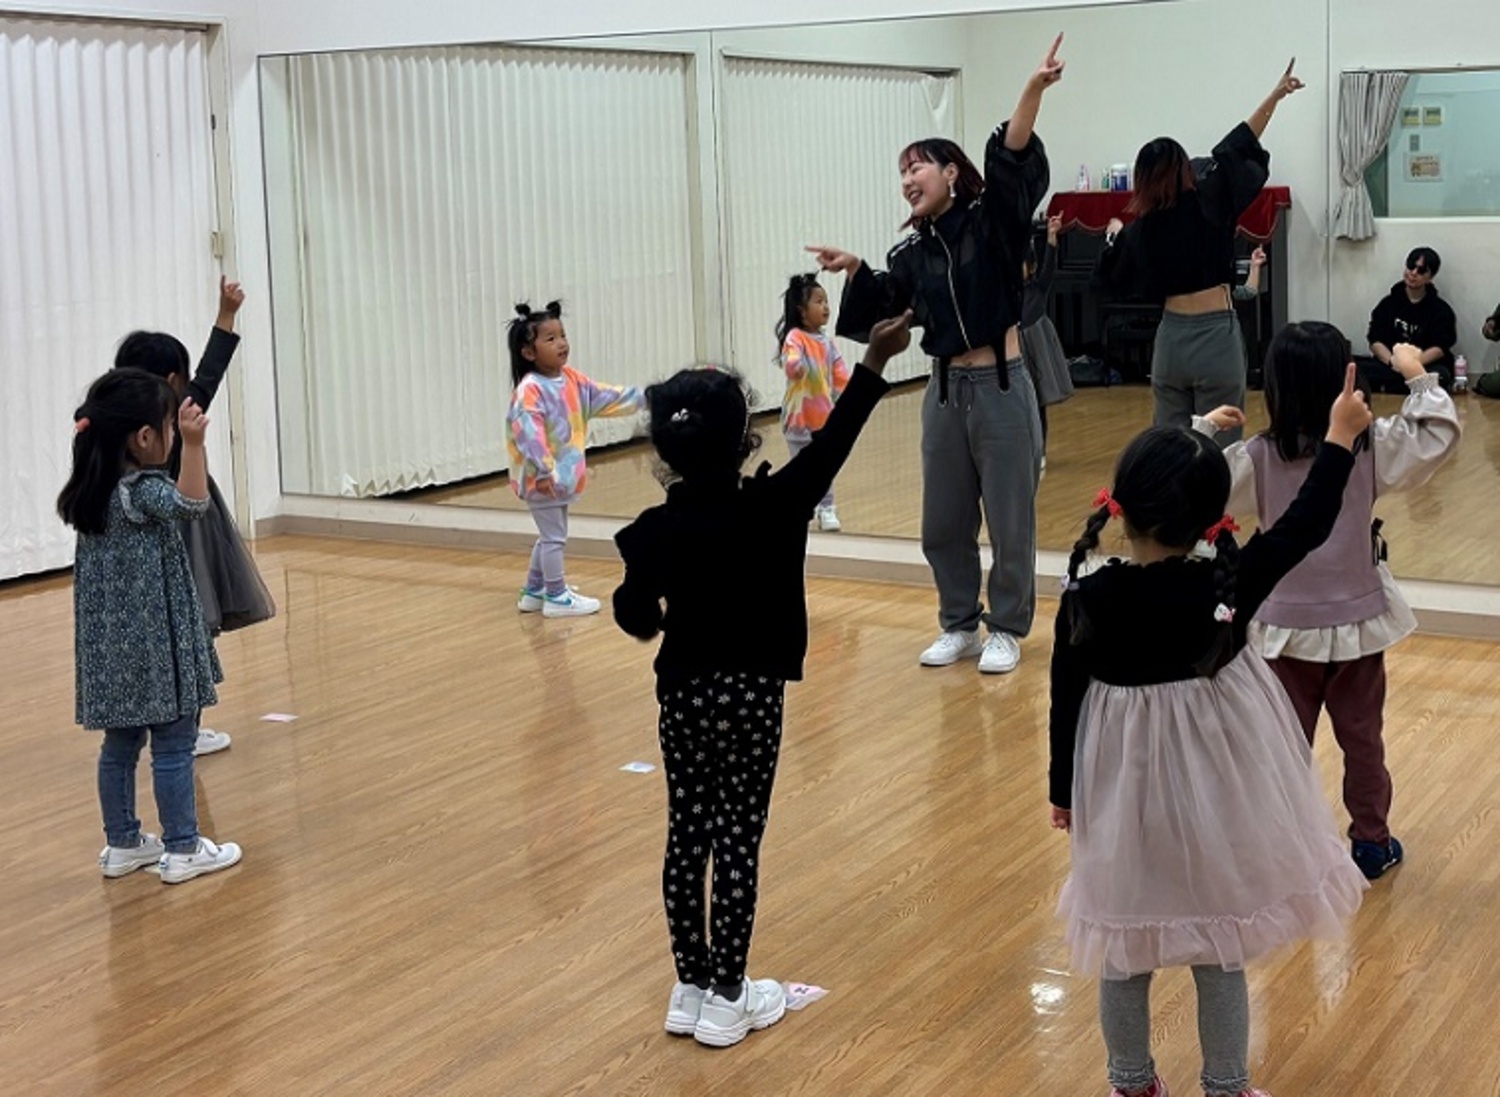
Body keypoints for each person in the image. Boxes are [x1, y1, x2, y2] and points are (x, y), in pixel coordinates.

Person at [1048, 365, 1374, 1097]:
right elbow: (1304, 523)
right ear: (1209, 517)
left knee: (1124, 949)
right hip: (1214, 797)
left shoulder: (1088, 594)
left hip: (1121, 793)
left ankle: (1131, 1083)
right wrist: (1338, 438)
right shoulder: (1223, 586)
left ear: (1121, 509)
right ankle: (1226, 1085)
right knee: (1218, 942)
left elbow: (1063, 699)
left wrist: (1062, 790)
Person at [613, 313, 910, 1048]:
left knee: (688, 832)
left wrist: (658, 611)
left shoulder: (654, 529)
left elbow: (633, 614)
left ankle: (690, 985)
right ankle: (728, 993)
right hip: (751, 695)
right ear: (745, 437)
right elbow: (833, 444)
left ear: (664, 451)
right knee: (739, 836)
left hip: (683, 694)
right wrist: (873, 361)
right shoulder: (774, 506)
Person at [807, 34, 1064, 674]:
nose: (907, 181)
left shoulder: (993, 225)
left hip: (1002, 385)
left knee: (1010, 520)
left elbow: (1012, 157)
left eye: (916, 168)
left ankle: (1007, 627)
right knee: (942, 523)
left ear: (950, 172)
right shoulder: (910, 254)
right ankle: (959, 623)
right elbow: (883, 311)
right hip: (944, 393)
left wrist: (1032, 88)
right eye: (902, 173)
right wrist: (857, 269)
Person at [1195, 326, 1459, 880]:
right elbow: (1436, 435)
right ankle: (1371, 842)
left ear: (1274, 386)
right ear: (1347, 381)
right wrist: (1417, 375)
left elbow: (1193, 488)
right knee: (1363, 742)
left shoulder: (1257, 456)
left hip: (1283, 630)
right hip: (1357, 623)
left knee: (1284, 748)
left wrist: (1201, 431)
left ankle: (1283, 848)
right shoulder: (1370, 446)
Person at [58, 369, 243, 884]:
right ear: (144, 437)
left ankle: (122, 843)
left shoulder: (94, 494)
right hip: (157, 648)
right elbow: (194, 504)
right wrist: (195, 445)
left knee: (119, 747)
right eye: (168, 428)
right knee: (174, 744)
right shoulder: (143, 491)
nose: (173, 435)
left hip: (110, 652)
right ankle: (183, 848)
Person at [1097, 61, 1304, 445]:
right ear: (1184, 168)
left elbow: (1111, 279)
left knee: (1171, 450)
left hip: (1169, 340)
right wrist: (1275, 96)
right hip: (1215, 338)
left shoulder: (1140, 229)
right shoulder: (1210, 199)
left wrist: (1115, 236)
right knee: (1221, 452)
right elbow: (1241, 142)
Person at [114, 276, 275, 757]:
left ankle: (159, 726)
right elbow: (211, 373)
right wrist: (226, 314)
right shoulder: (175, 416)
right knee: (193, 634)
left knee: (168, 637)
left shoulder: (113, 425)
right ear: (171, 381)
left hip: (143, 545)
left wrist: (226, 315)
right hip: (187, 538)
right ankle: (184, 729)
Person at [507, 301, 645, 618]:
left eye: (563, 335)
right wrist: (544, 472)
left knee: (549, 535)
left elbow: (607, 396)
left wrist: (650, 397)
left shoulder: (571, 380)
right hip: (542, 479)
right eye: (550, 338)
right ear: (528, 352)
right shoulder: (530, 391)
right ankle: (556, 596)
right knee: (554, 537)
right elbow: (529, 435)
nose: (561, 343)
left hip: (560, 478)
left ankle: (534, 590)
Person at [777, 272, 851, 531]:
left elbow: (840, 374)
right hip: (798, 418)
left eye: (826, 301)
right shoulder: (795, 337)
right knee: (800, 468)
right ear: (802, 311)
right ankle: (801, 507)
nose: (826, 307)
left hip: (823, 419)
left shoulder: (828, 343)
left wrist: (848, 397)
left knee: (823, 467)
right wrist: (794, 366)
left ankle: (827, 508)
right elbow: (791, 360)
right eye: (819, 302)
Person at [1365, 246, 1458, 392]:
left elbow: (1440, 348)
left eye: (1421, 271)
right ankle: (1404, 385)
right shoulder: (1387, 304)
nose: (1413, 273)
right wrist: (1392, 362)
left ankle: (1391, 385)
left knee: (1441, 375)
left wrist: (1409, 365)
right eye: (1411, 266)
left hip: (1423, 365)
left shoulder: (1441, 310)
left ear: (1431, 277)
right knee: (1356, 369)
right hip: (1390, 364)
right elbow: (1375, 340)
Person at [1021, 212, 1076, 461]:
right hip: (1017, 351)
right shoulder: (1007, 294)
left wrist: (1052, 236)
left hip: (1036, 350)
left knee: (1038, 402)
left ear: (1031, 267)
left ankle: (1040, 450)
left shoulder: (1038, 287)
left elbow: (1049, 267)